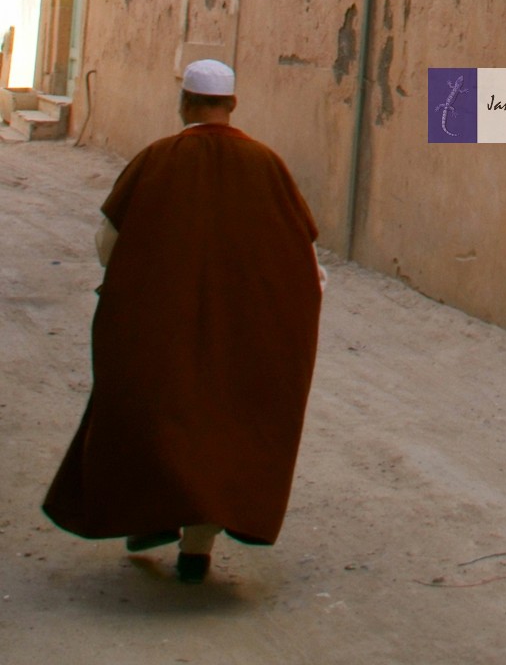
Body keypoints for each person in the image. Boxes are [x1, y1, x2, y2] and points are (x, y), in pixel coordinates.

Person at [43, 60, 324, 584]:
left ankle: (154, 518)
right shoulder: (266, 164)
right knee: (222, 429)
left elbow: (109, 246)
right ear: (233, 104)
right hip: (239, 333)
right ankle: (198, 548)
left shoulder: (157, 159)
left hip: (163, 328)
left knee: (160, 417)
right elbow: (304, 263)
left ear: (184, 102)